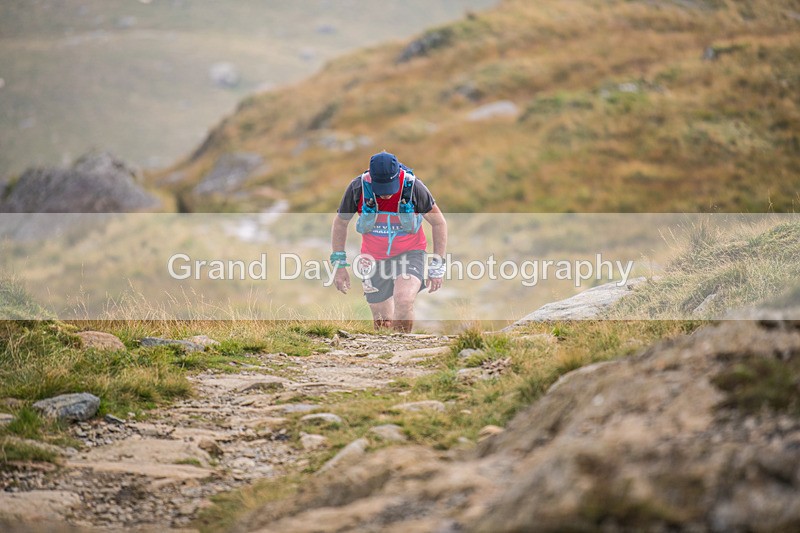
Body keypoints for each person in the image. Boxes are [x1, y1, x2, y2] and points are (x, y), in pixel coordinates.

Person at [331, 151, 447, 332]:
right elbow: (340, 223)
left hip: (410, 252)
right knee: (382, 321)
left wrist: (437, 265)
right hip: (373, 257)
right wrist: (339, 264)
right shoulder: (358, 187)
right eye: (380, 189)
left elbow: (439, 223)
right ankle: (387, 354)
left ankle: (403, 350)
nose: (385, 195)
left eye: (390, 188)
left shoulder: (413, 187)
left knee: (404, 299)